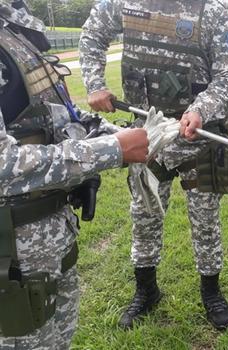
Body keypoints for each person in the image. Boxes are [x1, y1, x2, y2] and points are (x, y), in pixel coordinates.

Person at [78, 0, 228, 331]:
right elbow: (93, 32)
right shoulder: (123, 3)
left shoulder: (213, 11)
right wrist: (94, 82)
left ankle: (210, 291)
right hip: (146, 135)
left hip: (198, 135)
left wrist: (201, 108)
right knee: (144, 216)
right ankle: (146, 290)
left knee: (205, 220)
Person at [0, 1, 149, 348]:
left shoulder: (15, 31)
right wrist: (112, 150)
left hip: (49, 247)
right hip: (11, 262)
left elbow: (56, 116)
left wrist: (114, 134)